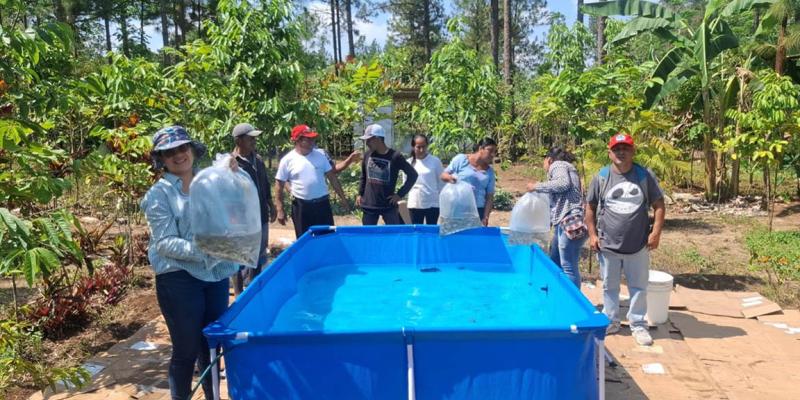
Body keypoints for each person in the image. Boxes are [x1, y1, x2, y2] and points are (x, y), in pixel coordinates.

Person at [140, 125, 239, 400]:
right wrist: (207, 250)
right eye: (169, 152)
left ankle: (213, 397)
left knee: (210, 347)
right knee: (185, 350)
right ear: (161, 159)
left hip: (215, 274)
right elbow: (165, 243)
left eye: (181, 148)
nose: (177, 155)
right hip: (178, 278)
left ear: (192, 150)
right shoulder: (159, 194)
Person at [585, 133, 666, 347]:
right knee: (609, 286)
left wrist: (655, 233)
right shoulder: (601, 177)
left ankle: (638, 324)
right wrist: (592, 235)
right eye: (617, 148)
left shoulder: (644, 176)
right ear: (610, 153)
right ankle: (611, 321)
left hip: (638, 244)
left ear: (633, 151)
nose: (621, 152)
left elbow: (659, 205)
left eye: (626, 148)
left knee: (638, 287)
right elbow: (590, 207)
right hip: (608, 244)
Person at [275, 124, 351, 238]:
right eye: (308, 139)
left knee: (326, 238)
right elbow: (279, 186)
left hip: (322, 205)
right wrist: (280, 209)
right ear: (298, 140)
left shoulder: (320, 156)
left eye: (313, 138)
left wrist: (343, 199)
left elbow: (333, 178)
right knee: (304, 239)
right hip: (301, 207)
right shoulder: (287, 160)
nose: (312, 141)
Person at [527, 147, 587, 288]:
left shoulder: (558, 165)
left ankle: (572, 302)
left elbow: (562, 184)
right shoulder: (566, 168)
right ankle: (556, 291)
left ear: (549, 159)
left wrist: (536, 186)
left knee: (568, 265)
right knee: (555, 260)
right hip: (566, 220)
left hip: (570, 219)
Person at [230, 123, 276, 296]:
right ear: (238, 140)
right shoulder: (231, 163)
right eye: (250, 138)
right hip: (241, 219)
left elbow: (265, 184)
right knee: (239, 255)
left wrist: (271, 204)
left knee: (258, 253)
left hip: (260, 216)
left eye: (254, 138)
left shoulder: (258, 160)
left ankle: (253, 290)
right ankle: (238, 293)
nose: (254, 141)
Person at [356, 124, 418, 225]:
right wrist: (360, 193)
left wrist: (399, 194)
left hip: (388, 205)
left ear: (378, 139)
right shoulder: (368, 155)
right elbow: (363, 176)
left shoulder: (395, 156)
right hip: (370, 205)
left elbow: (413, 175)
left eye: (369, 140)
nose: (366, 143)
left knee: (394, 235)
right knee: (368, 236)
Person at [440, 138, 497, 226]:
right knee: (457, 236)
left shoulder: (489, 172)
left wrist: (485, 217)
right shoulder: (461, 160)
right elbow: (443, 175)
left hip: (478, 210)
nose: (493, 154)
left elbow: (489, 197)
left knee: (474, 238)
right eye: (490, 150)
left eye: (495, 152)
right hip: (458, 208)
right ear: (480, 149)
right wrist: (452, 179)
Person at [405, 134, 444, 224]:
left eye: (424, 147)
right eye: (418, 147)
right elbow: (406, 184)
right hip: (415, 203)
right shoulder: (408, 163)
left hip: (432, 204)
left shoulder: (435, 161)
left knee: (431, 232)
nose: (421, 150)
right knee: (416, 231)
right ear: (413, 147)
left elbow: (441, 183)